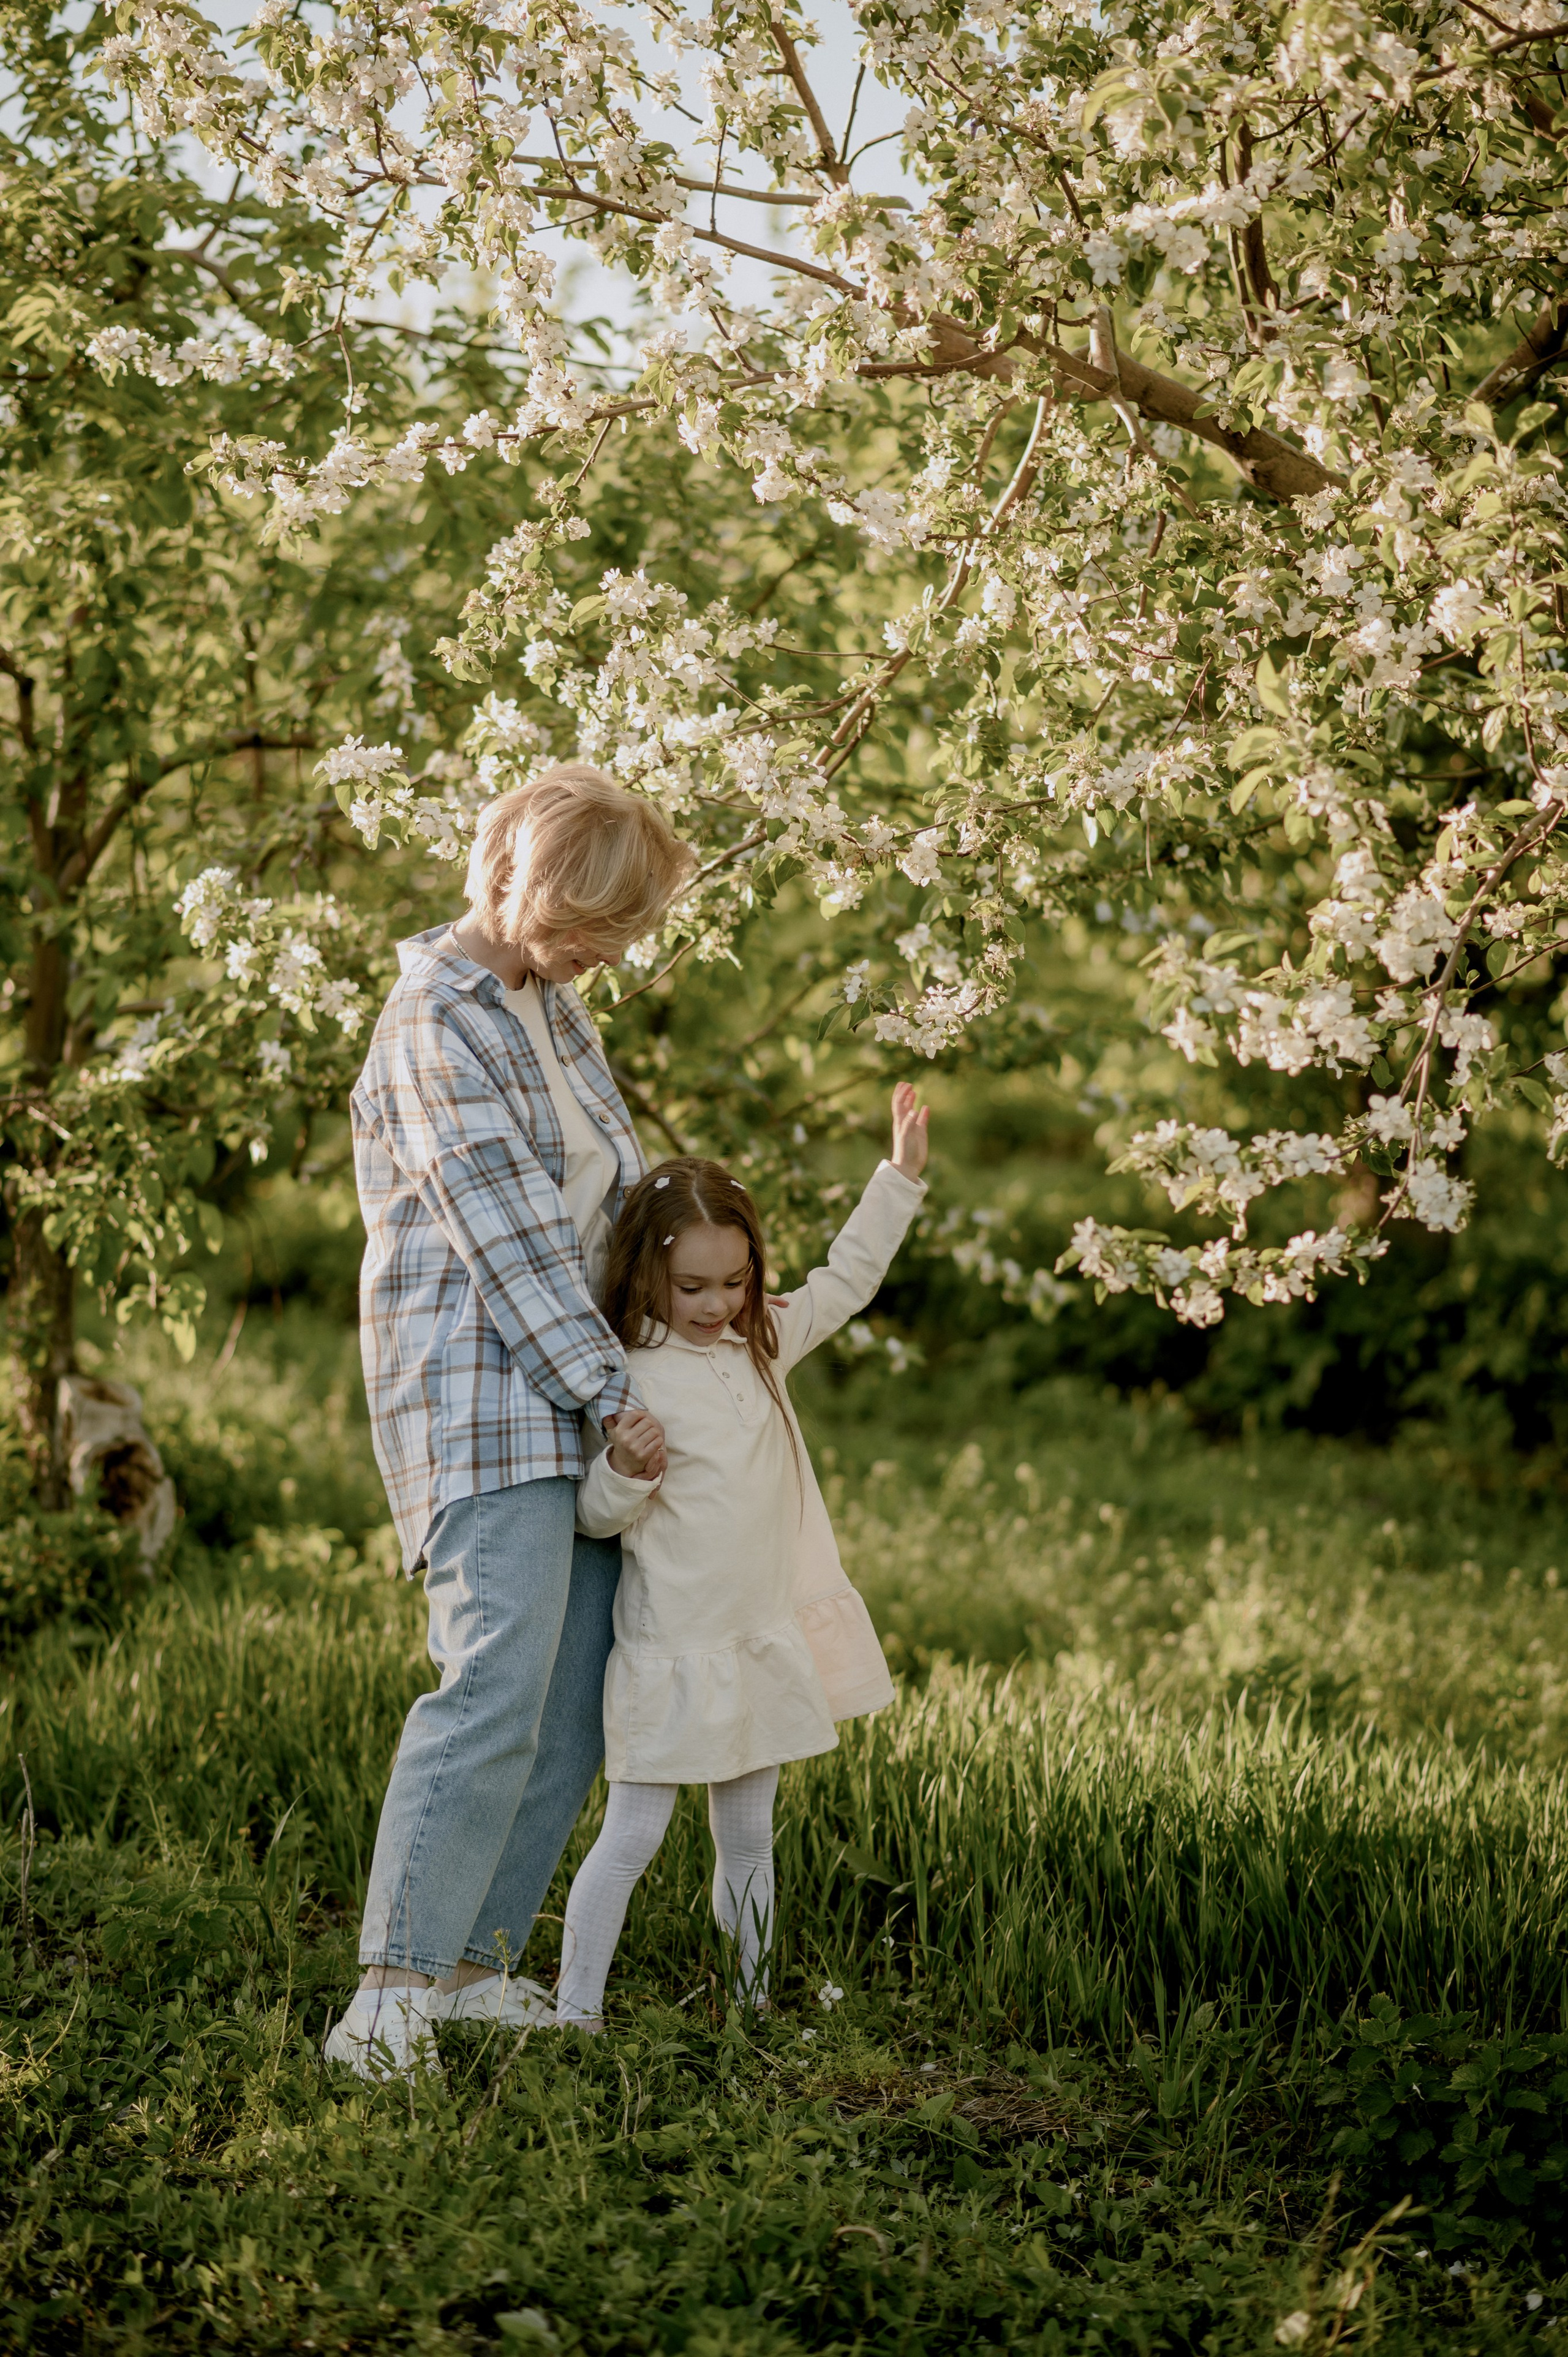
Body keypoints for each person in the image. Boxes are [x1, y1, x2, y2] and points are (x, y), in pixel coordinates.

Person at [324, 762, 692, 2079]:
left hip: (581, 1384)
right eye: (595, 919)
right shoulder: (437, 1015)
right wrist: (611, 1392)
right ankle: (386, 1990)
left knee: (574, 1702)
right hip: (484, 1396)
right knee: (487, 1686)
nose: (608, 951)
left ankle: (475, 1966)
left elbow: (603, 1200)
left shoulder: (551, 1005)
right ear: (518, 876)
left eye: (626, 930)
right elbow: (510, 1241)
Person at [555, 1082, 930, 2029]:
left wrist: (899, 1179)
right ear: (646, 1275)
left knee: (751, 1833)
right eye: (693, 1289)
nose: (718, 1304)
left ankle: (754, 2000)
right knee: (635, 1832)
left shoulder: (762, 1343)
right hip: (673, 1648)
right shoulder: (628, 1375)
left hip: (756, 1639)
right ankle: (573, 2013)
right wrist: (626, 1473)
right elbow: (596, 1519)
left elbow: (844, 1283)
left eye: (734, 1281)